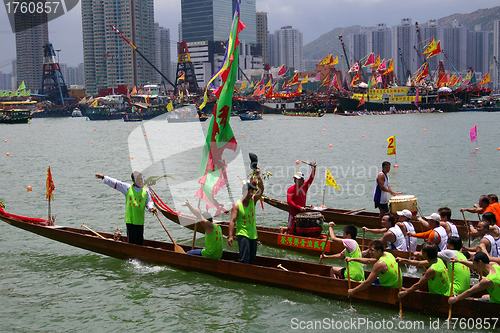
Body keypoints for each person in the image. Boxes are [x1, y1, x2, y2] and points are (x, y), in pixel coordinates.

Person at [95, 172, 157, 245]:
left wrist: (151, 208)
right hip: (130, 220)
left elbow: (149, 202)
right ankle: (131, 255)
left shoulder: (146, 190)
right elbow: (116, 183)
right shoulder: (127, 188)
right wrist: (103, 177)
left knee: (140, 241)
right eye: (138, 179)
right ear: (133, 180)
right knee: (132, 241)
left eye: (141, 179)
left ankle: (138, 255)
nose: (141, 181)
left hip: (140, 220)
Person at [228, 169, 264, 264]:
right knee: (244, 259)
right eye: (248, 193)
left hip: (253, 234)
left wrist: (258, 176)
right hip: (242, 234)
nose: (250, 195)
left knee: (252, 260)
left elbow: (261, 189)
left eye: (251, 192)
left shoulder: (253, 200)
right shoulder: (237, 206)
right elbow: (232, 221)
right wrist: (230, 236)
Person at [284, 161, 316, 234]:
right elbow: (289, 202)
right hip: (294, 212)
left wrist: (314, 169)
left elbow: (311, 178)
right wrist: (299, 207)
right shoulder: (290, 189)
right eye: (295, 178)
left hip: (302, 212)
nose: (295, 180)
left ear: (302, 180)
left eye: (297, 179)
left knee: (302, 230)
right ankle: (286, 232)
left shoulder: (305, 186)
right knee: (291, 230)